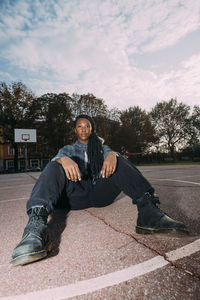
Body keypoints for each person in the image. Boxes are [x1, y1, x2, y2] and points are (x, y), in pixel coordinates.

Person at [10, 115, 187, 266]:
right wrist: (62, 159)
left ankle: (148, 213)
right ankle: (36, 227)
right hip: (74, 196)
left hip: (100, 193)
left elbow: (112, 157)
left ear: (92, 129)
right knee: (53, 166)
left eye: (87, 125)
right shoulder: (67, 149)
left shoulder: (101, 148)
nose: (84, 128)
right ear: (75, 130)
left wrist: (112, 154)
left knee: (118, 158)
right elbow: (58, 160)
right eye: (80, 126)